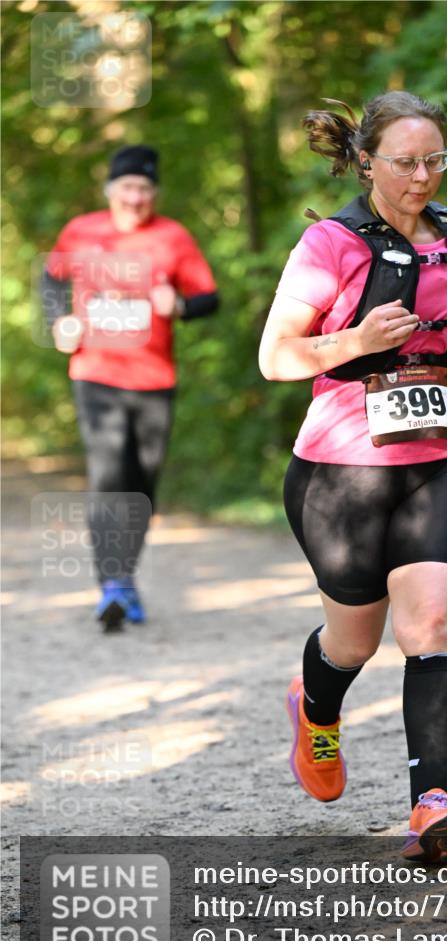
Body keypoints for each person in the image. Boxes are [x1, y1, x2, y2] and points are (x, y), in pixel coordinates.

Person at [259, 92, 447, 859]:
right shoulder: (330, 243)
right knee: (353, 643)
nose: (423, 176)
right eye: (405, 162)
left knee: (431, 627)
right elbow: (277, 356)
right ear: (366, 162)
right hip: (341, 470)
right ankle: (316, 712)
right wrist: (351, 340)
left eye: (435, 161)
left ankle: (432, 803)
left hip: (442, 451)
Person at [42, 145, 219, 630]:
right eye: (127, 187)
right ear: (110, 190)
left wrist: (178, 306)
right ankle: (112, 585)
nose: (136, 197)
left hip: (155, 378)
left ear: (154, 193)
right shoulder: (81, 231)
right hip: (95, 373)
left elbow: (209, 298)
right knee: (107, 474)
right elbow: (51, 278)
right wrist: (59, 322)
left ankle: (125, 575)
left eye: (144, 188)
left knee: (142, 484)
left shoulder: (173, 237)